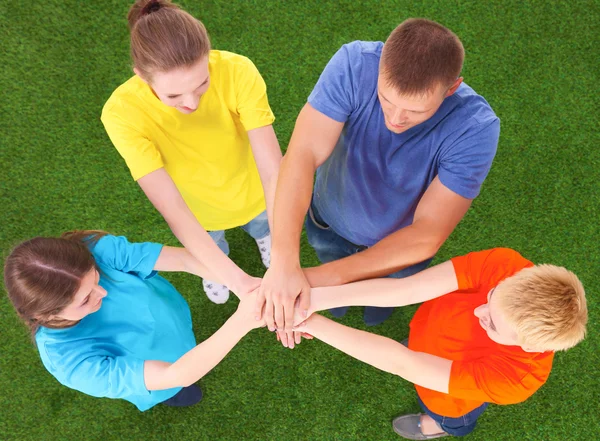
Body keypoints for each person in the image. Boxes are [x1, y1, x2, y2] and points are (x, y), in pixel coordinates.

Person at [258, 18, 501, 347]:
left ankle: (372, 307)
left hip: (400, 252)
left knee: (381, 299)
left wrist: (306, 285)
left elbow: (428, 232)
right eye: (386, 100)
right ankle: (343, 301)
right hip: (328, 220)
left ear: (452, 89)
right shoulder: (353, 64)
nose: (396, 118)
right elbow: (302, 153)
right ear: (380, 69)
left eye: (415, 111)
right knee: (332, 268)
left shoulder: (475, 128)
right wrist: (285, 263)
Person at [290, 248, 587, 439]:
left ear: (529, 347)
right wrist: (313, 300)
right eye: (492, 295)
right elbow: (406, 289)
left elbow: (402, 363)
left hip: (446, 400)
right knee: (411, 350)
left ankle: (435, 428)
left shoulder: (515, 380)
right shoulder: (506, 266)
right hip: (425, 338)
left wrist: (308, 321)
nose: (478, 311)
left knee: (445, 417)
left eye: (492, 323)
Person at [101, 0, 282, 304]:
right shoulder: (121, 114)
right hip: (197, 210)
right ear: (142, 77)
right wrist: (236, 281)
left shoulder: (237, 70)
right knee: (212, 245)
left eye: (202, 84)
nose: (192, 103)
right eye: (173, 95)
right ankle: (213, 269)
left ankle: (265, 240)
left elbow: (273, 170)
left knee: (262, 223)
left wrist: (283, 257)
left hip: (252, 189)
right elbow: (172, 208)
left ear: (208, 56)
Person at [4, 231, 264, 411]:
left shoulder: (93, 249)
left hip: (172, 322)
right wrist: (244, 319)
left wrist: (245, 285)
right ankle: (173, 396)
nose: (103, 293)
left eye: (96, 278)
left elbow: (185, 258)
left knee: (187, 342)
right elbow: (177, 373)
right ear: (47, 316)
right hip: (167, 376)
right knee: (180, 388)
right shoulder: (69, 362)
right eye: (85, 300)